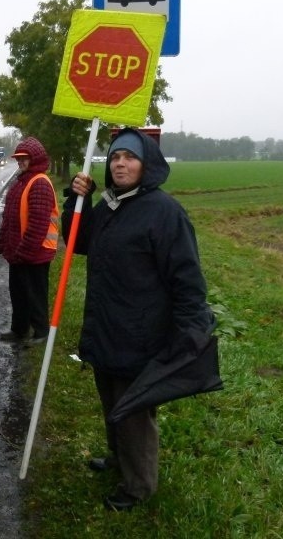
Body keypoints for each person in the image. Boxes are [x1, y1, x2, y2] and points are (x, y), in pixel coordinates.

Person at [63, 128, 216, 511]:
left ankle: (138, 485)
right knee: (111, 401)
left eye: (129, 157)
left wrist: (191, 330)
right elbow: (79, 243)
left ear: (146, 163)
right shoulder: (112, 205)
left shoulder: (164, 212)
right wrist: (77, 202)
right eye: (115, 157)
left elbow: (187, 279)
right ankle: (118, 460)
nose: (120, 164)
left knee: (133, 411)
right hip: (106, 326)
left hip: (141, 333)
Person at [0, 136, 59, 346]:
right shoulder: (21, 182)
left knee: (35, 295)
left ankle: (41, 332)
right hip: (19, 253)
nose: (20, 162)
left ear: (35, 158)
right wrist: (4, 244)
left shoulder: (39, 182)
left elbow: (38, 224)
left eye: (25, 158)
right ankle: (19, 329)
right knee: (18, 293)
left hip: (34, 253)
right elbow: (10, 217)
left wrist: (24, 252)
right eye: (19, 158)